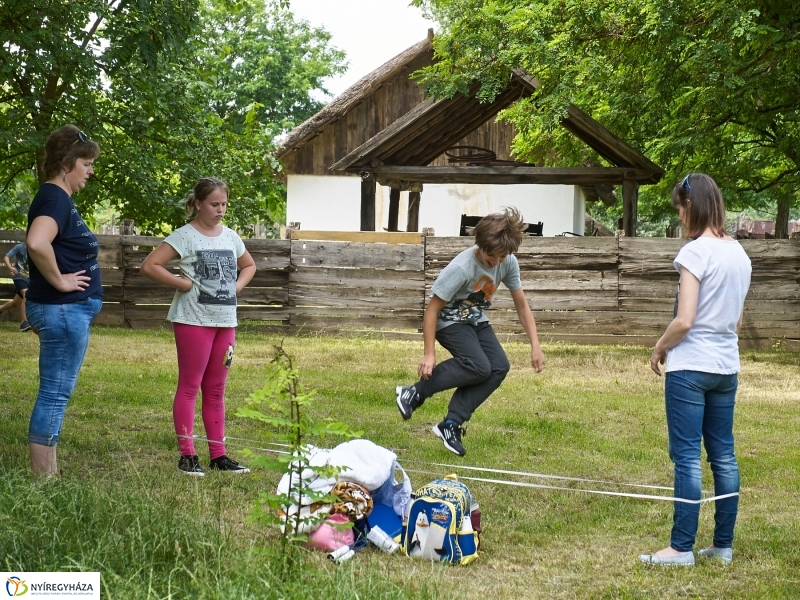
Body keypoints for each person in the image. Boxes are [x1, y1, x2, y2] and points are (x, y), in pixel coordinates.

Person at [640, 173, 752, 566]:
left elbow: (684, 320)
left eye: (680, 209)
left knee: (687, 457)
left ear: (692, 206)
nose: (680, 218)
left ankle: (681, 547)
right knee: (723, 455)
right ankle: (723, 546)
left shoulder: (694, 253)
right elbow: (737, 323)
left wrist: (659, 347)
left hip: (690, 368)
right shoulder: (740, 253)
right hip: (726, 367)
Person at [395, 207, 545, 456]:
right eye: (491, 258)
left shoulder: (507, 261)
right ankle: (414, 393)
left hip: (475, 319)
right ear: (480, 245)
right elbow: (431, 310)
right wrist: (429, 353)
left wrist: (535, 345)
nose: (496, 263)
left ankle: (451, 424)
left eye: (502, 257)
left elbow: (521, 304)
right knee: (478, 366)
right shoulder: (461, 268)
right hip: (448, 321)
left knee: (498, 367)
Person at [140, 177, 256, 476]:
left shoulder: (230, 237)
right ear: (198, 204)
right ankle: (188, 455)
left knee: (216, 390)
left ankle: (219, 456)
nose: (220, 210)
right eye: (214, 204)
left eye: (224, 204)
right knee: (190, 387)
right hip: (193, 321)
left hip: (225, 322)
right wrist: (181, 283)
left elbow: (249, 265)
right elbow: (150, 265)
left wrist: (237, 287)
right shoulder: (185, 236)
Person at [25, 125, 103, 477]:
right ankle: (43, 482)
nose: (90, 170)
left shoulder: (56, 198)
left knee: (57, 391)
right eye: (85, 163)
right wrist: (59, 280)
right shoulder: (54, 198)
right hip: (62, 311)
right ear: (65, 162)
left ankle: (51, 471)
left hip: (65, 312)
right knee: (54, 393)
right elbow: (37, 243)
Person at [1, 242, 32, 331]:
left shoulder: (38, 248)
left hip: (31, 279)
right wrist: (10, 268)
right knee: (26, 294)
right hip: (19, 277)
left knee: (16, 303)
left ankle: (1, 308)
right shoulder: (20, 247)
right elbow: (6, 257)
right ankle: (24, 322)